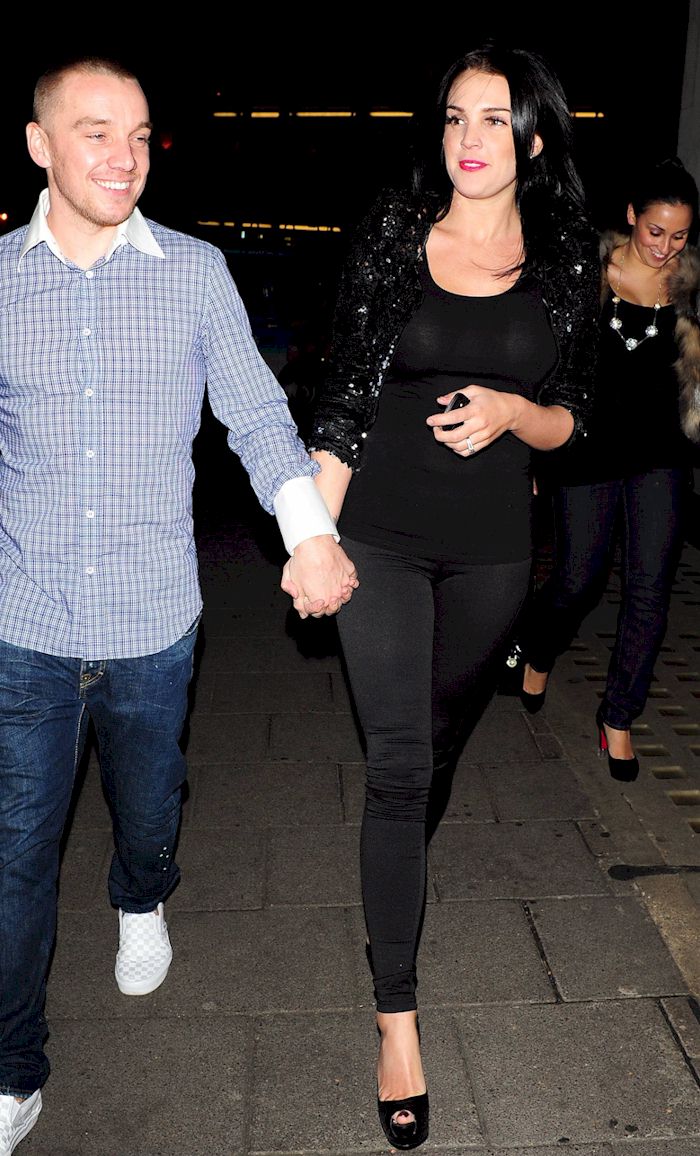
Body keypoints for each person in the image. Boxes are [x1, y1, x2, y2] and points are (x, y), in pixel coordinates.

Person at [0, 55, 357, 1154]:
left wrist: (310, 533)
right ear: (39, 145)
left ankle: (141, 892)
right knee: (14, 853)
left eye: (141, 135)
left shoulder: (195, 273)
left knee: (149, 811)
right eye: (95, 131)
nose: (124, 157)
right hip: (24, 626)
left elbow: (255, 413)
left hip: (154, 623)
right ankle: (12, 1068)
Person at [304, 43, 598, 1150]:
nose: (469, 138)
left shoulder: (566, 255)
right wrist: (313, 534)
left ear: (532, 137)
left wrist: (516, 413)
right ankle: (398, 1019)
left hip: (490, 555)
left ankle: (395, 863)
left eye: (493, 119)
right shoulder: (394, 230)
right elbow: (343, 394)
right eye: (453, 117)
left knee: (430, 748)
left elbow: (574, 415)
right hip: (379, 532)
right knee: (396, 765)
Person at [521, 157, 700, 780]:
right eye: (656, 231)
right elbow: (544, 361)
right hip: (586, 451)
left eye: (680, 236)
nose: (666, 247)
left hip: (662, 459)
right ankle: (538, 646)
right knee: (579, 580)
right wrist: (534, 447)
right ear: (631, 216)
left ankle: (619, 717)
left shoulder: (693, 290)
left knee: (650, 591)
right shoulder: (587, 271)